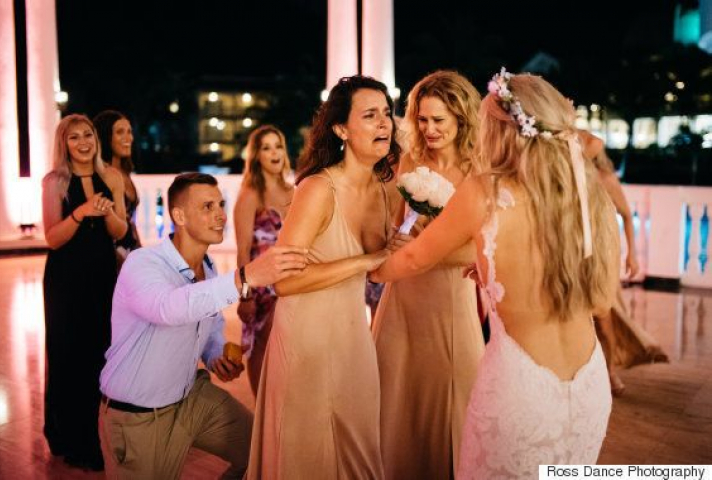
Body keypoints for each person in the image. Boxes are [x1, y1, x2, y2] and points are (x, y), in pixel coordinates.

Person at [371, 70, 620, 478]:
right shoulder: (589, 195)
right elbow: (603, 301)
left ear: (505, 132)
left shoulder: (485, 192)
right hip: (590, 387)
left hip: (521, 390)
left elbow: (413, 258)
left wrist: (366, 269)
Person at [98, 173, 307, 479]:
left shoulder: (208, 268)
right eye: (208, 207)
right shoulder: (143, 263)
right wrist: (245, 277)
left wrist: (216, 355)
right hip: (137, 416)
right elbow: (168, 308)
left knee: (263, 451)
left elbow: (210, 329)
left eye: (220, 204)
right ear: (179, 216)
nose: (221, 214)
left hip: (190, 397)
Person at [246, 75, 401, 479]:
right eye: (370, 115)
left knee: (360, 451)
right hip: (306, 341)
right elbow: (284, 281)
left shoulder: (387, 190)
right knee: (305, 456)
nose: (384, 123)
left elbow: (381, 268)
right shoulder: (318, 188)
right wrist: (364, 261)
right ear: (341, 129)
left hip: (353, 339)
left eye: (386, 113)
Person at [371, 70, 485, 480]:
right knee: (394, 392)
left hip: (450, 299)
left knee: (456, 394)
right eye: (422, 119)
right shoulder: (411, 161)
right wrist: (396, 240)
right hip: (403, 296)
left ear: (462, 118)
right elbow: (396, 223)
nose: (429, 129)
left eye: (439, 120)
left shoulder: (479, 170)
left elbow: (482, 248)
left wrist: (426, 250)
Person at [42, 114, 128, 470]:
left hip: (102, 275)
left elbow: (120, 232)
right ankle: (70, 438)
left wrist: (106, 214)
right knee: (68, 356)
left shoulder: (112, 177)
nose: (83, 142)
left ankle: (92, 435)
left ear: (96, 139)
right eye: (74, 137)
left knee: (99, 353)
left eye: (88, 135)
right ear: (64, 143)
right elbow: (52, 238)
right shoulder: (55, 182)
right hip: (66, 279)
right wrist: (80, 212)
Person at [578, 130, 668, 396]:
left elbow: (628, 216)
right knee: (580, 319)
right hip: (575, 254)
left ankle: (610, 371)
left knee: (605, 317)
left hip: (601, 256)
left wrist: (632, 255)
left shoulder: (605, 178)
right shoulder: (571, 177)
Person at [233, 125, 294, 396]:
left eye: (278, 146)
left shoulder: (294, 192)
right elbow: (243, 251)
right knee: (261, 347)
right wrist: (245, 296)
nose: (274, 153)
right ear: (256, 155)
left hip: (293, 279)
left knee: (289, 351)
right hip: (261, 284)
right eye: (266, 148)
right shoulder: (250, 195)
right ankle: (261, 410)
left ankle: (282, 409)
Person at [93, 110, 142, 264]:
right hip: (111, 255)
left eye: (129, 132)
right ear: (105, 136)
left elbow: (130, 222)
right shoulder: (102, 174)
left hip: (131, 250)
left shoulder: (125, 172)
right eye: (120, 132)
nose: (128, 138)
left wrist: (140, 252)